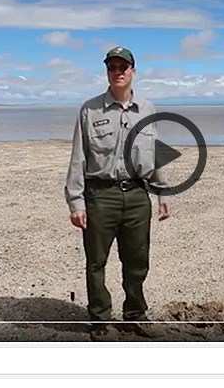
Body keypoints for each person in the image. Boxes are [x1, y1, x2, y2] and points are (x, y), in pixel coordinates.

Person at [64, 46, 172, 341]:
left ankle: (135, 314)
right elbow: (78, 157)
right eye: (113, 67)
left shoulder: (148, 109)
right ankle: (99, 318)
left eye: (123, 67)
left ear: (133, 72)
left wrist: (163, 193)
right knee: (96, 261)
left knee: (137, 260)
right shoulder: (90, 109)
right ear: (107, 72)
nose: (118, 71)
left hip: (138, 196)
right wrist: (76, 201)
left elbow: (154, 152)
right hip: (100, 196)